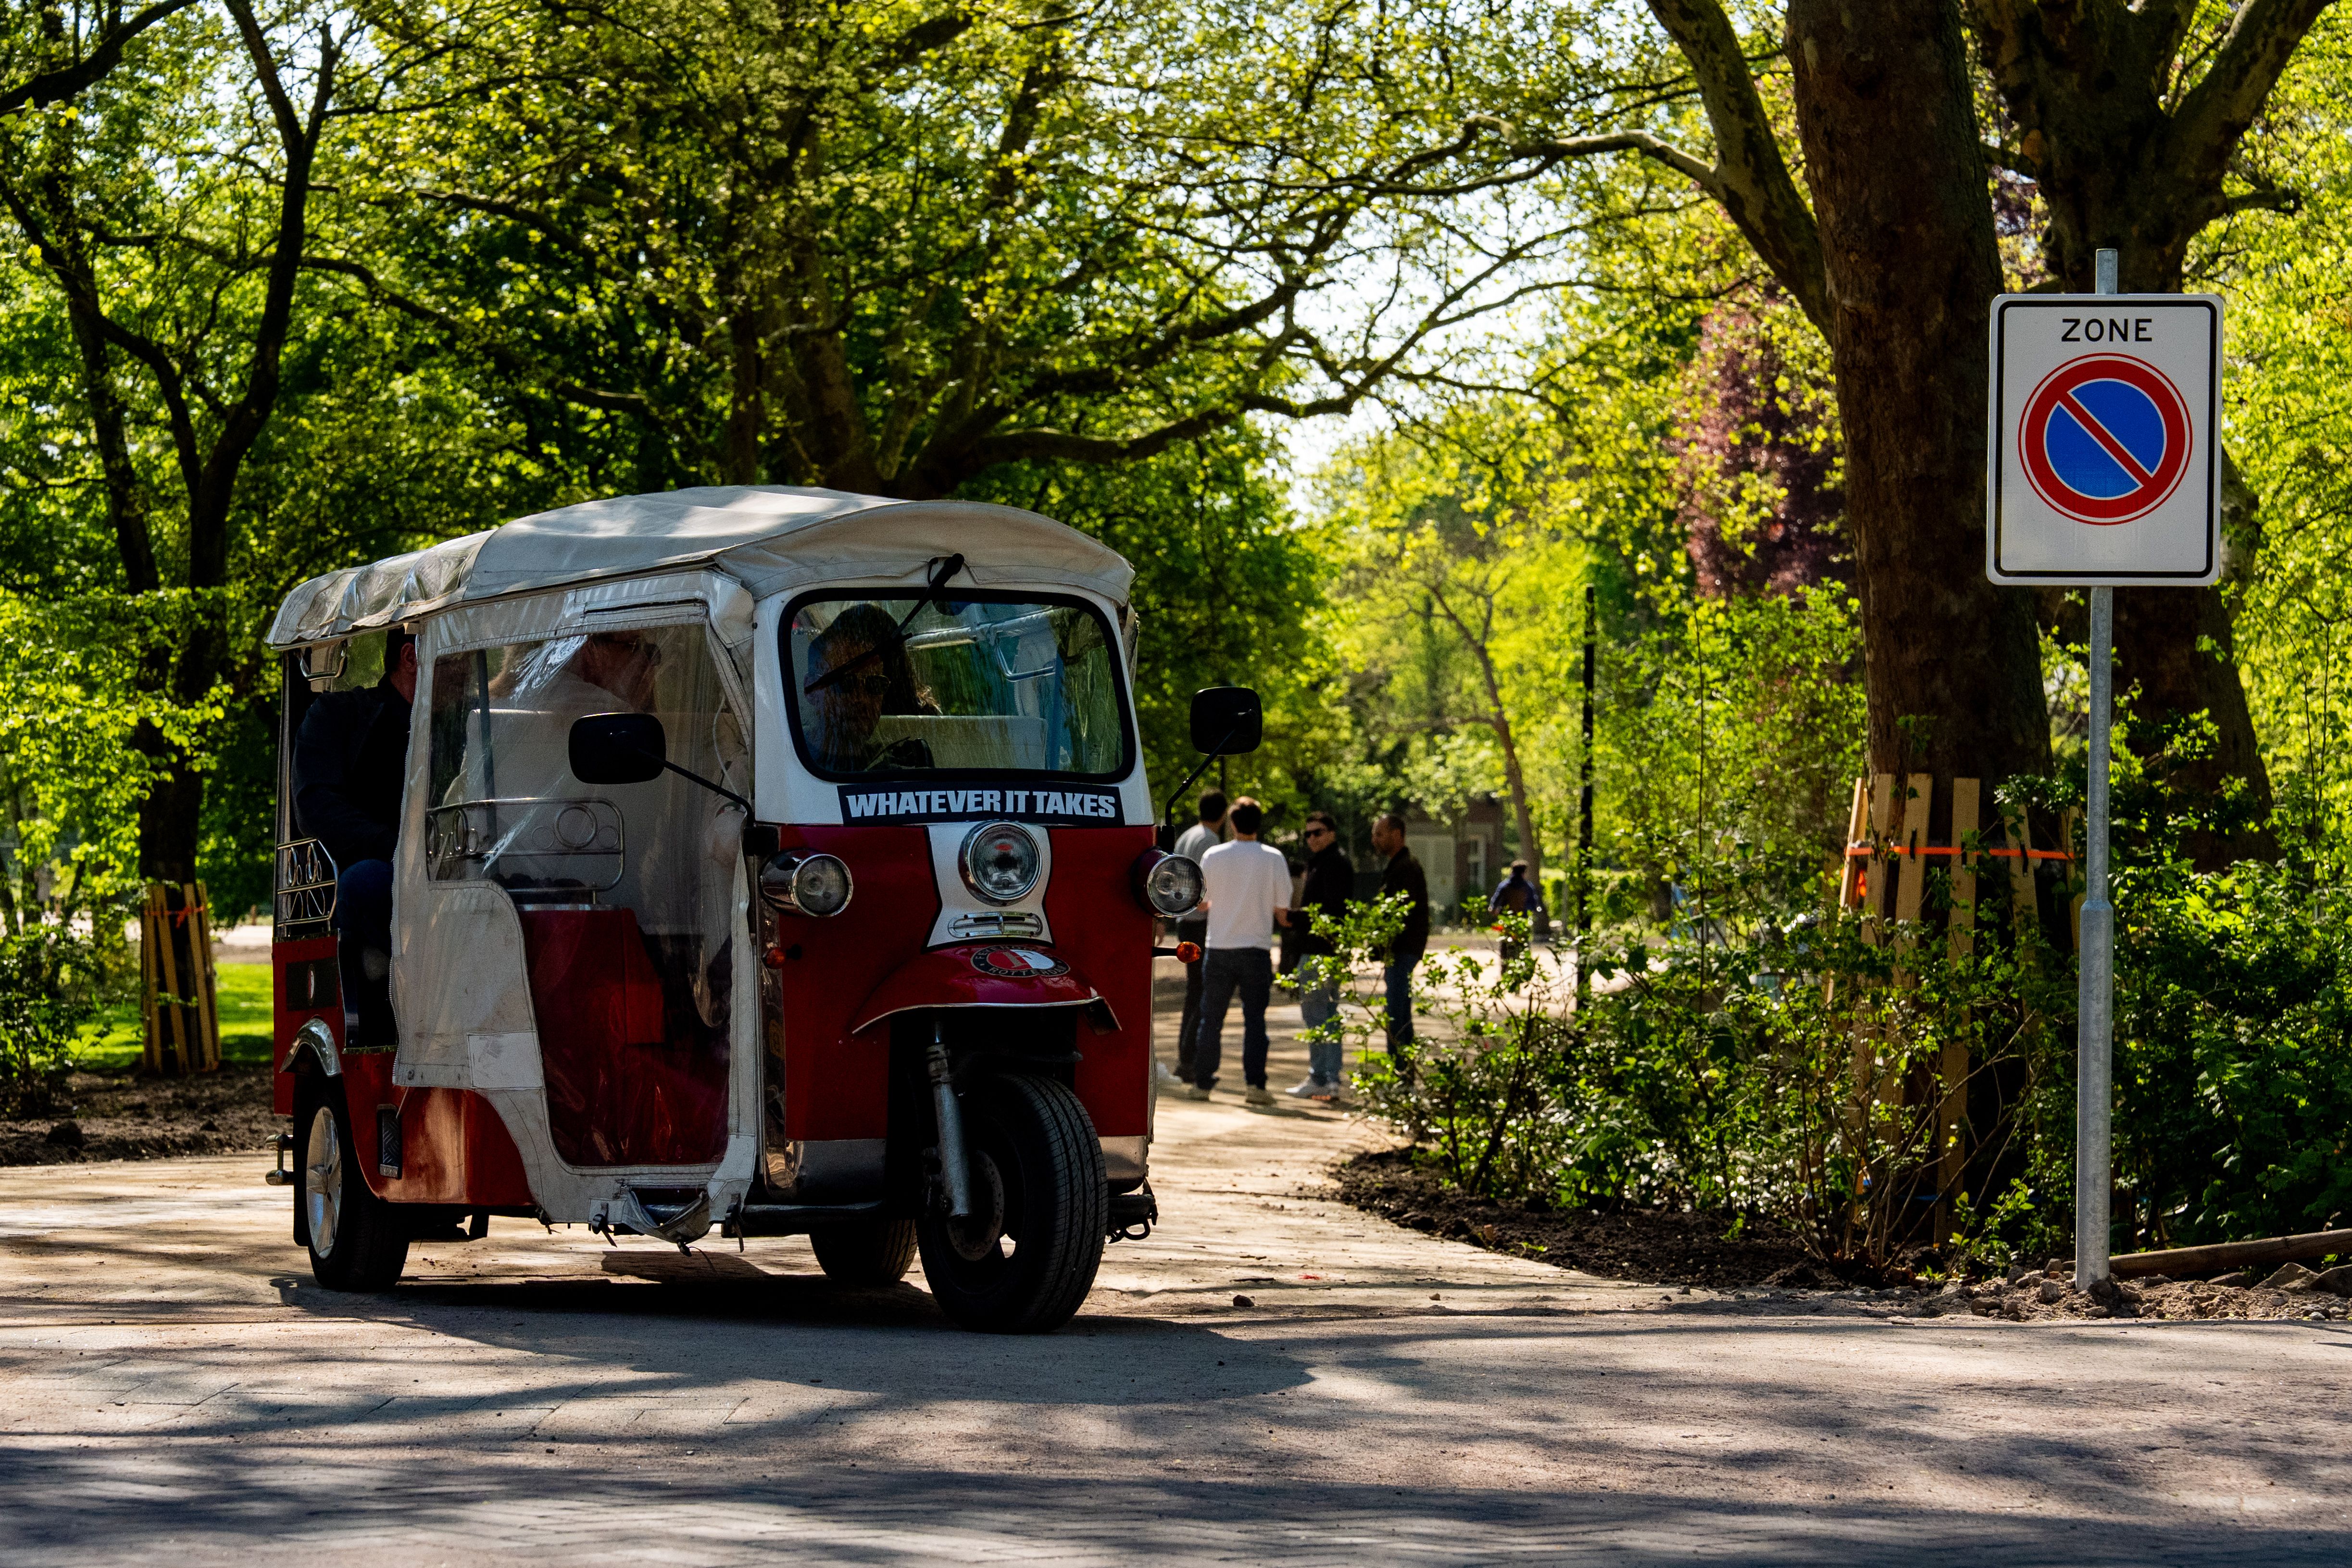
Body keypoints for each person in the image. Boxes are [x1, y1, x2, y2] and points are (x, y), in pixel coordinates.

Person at [293, 627, 417, 1048]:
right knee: (364, 883)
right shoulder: (339, 715)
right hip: (391, 873)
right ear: (411, 657)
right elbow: (316, 806)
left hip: (463, 867)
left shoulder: (473, 723)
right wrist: (400, 848)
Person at [1188, 796, 1289, 1104]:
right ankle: (1255, 1087)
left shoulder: (1213, 855)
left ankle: (1202, 1083)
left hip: (1219, 946)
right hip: (1256, 948)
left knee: (1211, 1019)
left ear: (1232, 823)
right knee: (1255, 1020)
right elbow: (1282, 912)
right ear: (1259, 824)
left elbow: (1202, 904)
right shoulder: (1273, 858)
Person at [801, 602, 936, 772]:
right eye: (844, 683)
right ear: (810, 690)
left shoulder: (904, 760)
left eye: (875, 685)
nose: (860, 698)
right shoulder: (785, 753)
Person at [1287, 810, 1354, 1102]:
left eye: (1318, 832)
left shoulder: (1333, 864)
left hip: (1320, 952)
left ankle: (1322, 1078)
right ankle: (1329, 1080)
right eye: (1308, 834)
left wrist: (1292, 917)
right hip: (1327, 951)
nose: (1312, 838)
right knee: (1327, 1015)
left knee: (1318, 1016)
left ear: (1332, 834)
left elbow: (1330, 912)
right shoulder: (1324, 863)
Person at [1164, 790, 1228, 1089]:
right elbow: (1208, 886)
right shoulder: (1211, 841)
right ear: (1223, 814)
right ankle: (1189, 1059)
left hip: (1183, 920)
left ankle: (1185, 1057)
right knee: (1202, 992)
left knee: (1194, 992)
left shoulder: (1186, 836)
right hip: (1201, 923)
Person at [1369, 813, 1429, 1059]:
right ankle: (1403, 1072)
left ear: (1397, 835)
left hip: (1402, 950)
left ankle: (1401, 1071)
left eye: (1380, 834)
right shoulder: (1399, 866)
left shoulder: (1406, 868)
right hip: (1400, 950)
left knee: (1396, 1012)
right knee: (1399, 1011)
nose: (1375, 840)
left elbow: (1402, 915)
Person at [1489, 858, 1545, 966]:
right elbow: (1534, 905)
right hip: (1522, 924)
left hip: (1507, 923)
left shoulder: (1504, 886)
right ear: (1524, 873)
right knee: (1523, 947)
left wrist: (1494, 911)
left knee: (1505, 948)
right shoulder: (1528, 887)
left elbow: (1494, 905)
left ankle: (1505, 968)